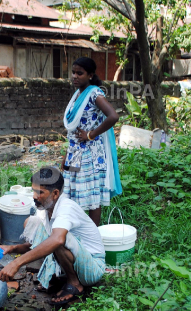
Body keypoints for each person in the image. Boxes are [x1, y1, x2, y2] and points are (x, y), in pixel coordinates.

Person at [0, 167, 106, 306]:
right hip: (76, 259)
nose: (34, 196)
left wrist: (16, 263)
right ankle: (56, 276)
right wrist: (13, 248)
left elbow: (57, 240)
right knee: (31, 223)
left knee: (57, 238)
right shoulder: (45, 208)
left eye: (40, 192)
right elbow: (38, 244)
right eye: (33, 191)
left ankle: (75, 284)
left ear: (55, 193)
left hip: (92, 268)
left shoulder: (66, 207)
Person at [61, 57, 122, 226]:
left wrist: (90, 134)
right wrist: (67, 154)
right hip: (75, 152)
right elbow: (73, 130)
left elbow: (113, 116)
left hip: (90, 154)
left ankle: (93, 236)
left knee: (92, 195)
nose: (75, 76)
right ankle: (77, 232)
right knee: (74, 193)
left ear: (90, 75)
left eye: (79, 73)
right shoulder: (77, 94)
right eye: (73, 72)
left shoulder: (94, 93)